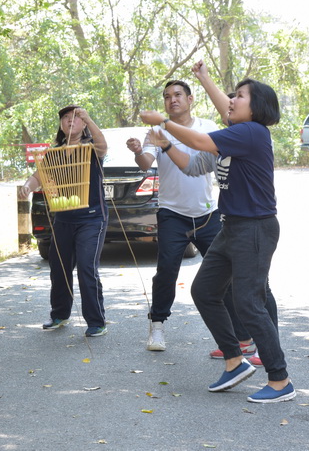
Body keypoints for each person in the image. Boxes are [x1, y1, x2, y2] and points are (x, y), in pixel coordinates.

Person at [140, 59, 294, 403]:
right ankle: (234, 361)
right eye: (232, 95)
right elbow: (193, 164)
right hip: (231, 227)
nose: (231, 101)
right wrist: (166, 145)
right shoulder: (233, 137)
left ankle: (280, 380)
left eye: (239, 96)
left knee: (248, 301)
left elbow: (198, 139)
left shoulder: (251, 133)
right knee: (205, 290)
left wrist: (163, 122)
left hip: (255, 229)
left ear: (256, 107)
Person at [125, 80, 223, 351]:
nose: (173, 100)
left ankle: (235, 336)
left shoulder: (207, 127)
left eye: (178, 95)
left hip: (207, 214)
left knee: (224, 271)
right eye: (167, 96)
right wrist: (138, 151)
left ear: (190, 99)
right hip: (172, 213)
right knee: (166, 271)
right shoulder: (156, 131)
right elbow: (145, 163)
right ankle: (157, 326)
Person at [19, 105, 109, 337]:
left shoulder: (91, 148)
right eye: (66, 118)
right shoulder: (53, 152)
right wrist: (28, 186)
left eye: (76, 118)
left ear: (84, 123)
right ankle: (60, 314)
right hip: (63, 218)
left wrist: (89, 117)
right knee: (59, 268)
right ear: (61, 124)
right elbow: (39, 175)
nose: (70, 121)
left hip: (92, 218)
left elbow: (103, 146)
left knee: (87, 268)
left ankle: (96, 321)